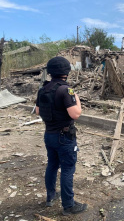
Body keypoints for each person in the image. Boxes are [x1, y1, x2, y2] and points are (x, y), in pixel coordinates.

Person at [35, 56, 87, 216]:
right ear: (66, 72)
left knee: (52, 165)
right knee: (67, 169)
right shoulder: (66, 90)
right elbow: (75, 114)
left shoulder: (43, 89)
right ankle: (69, 206)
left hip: (49, 134)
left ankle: (51, 197)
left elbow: (37, 111)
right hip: (64, 137)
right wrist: (76, 98)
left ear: (50, 72)